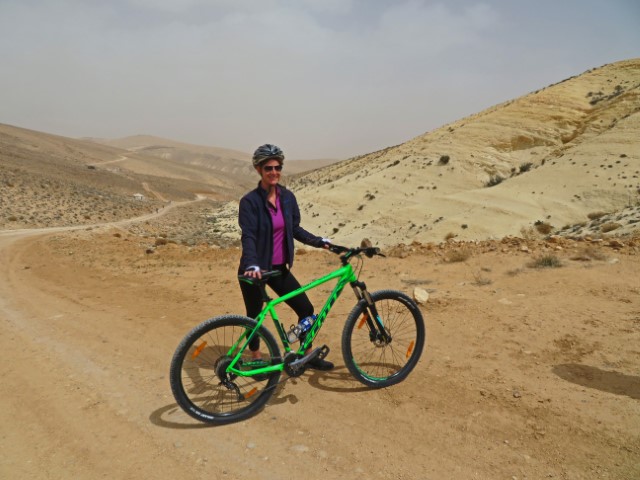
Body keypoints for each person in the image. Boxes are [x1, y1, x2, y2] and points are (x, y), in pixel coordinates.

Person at [237, 144, 334, 370]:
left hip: (279, 269)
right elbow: (248, 236)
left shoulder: (287, 198)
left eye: (277, 167)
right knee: (254, 316)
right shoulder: (249, 202)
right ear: (258, 169)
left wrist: (320, 242)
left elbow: (295, 229)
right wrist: (251, 263)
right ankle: (256, 357)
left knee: (305, 309)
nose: (274, 172)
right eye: (268, 168)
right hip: (254, 270)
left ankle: (307, 354)